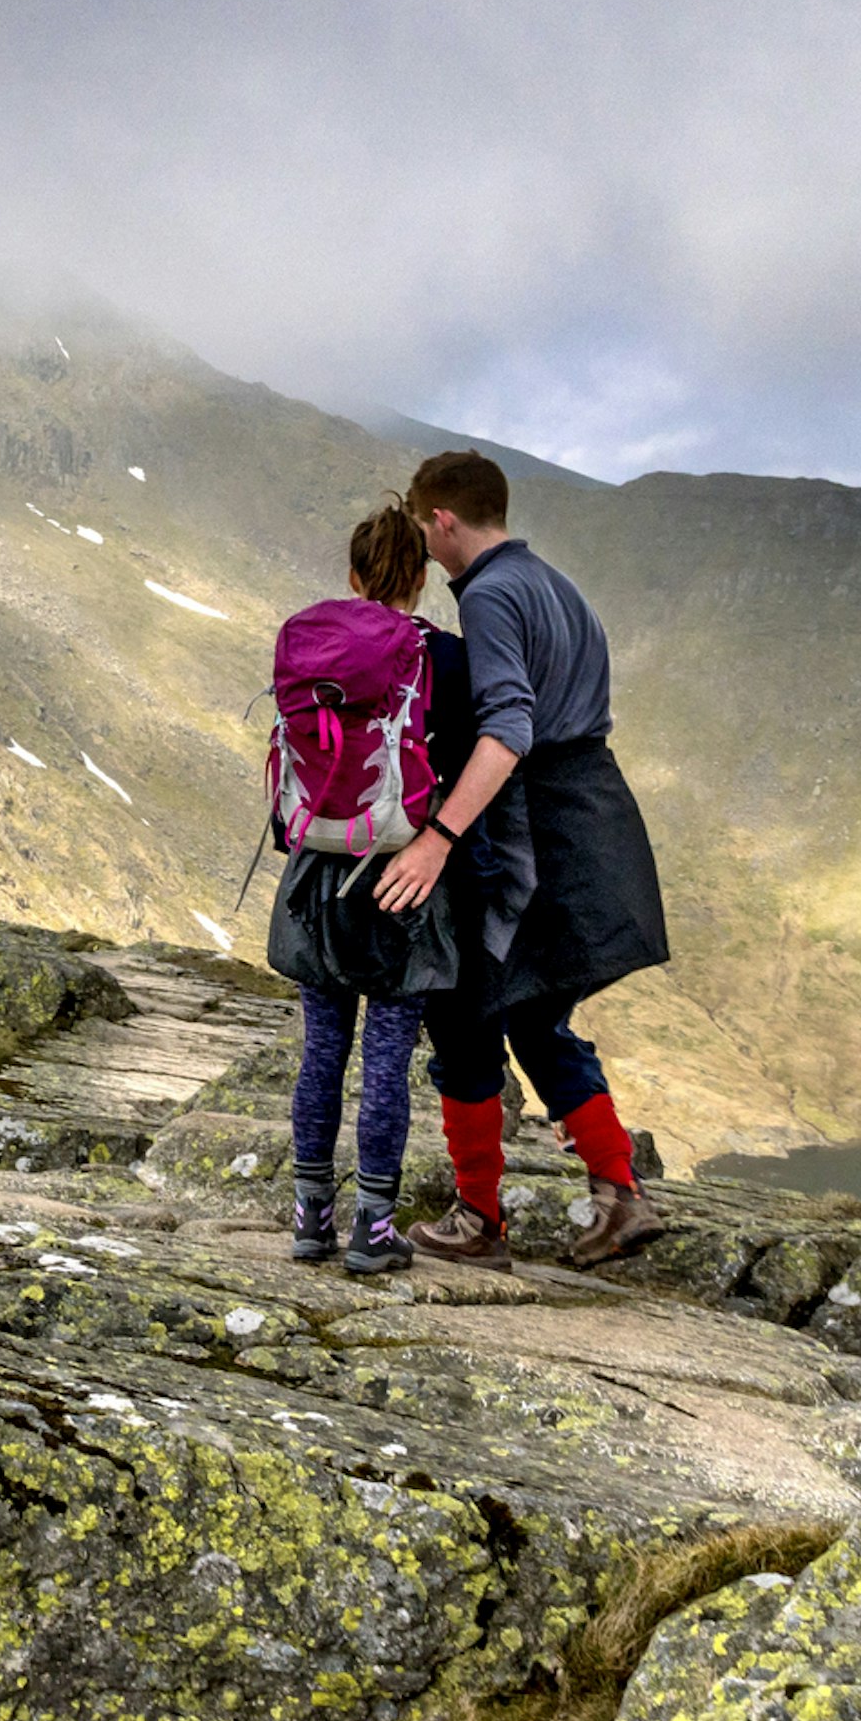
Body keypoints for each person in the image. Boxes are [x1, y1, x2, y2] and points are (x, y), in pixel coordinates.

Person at [374, 449, 671, 1267]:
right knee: (537, 1016)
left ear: (442, 520)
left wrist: (439, 839)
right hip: (595, 822)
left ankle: (478, 1221)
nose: (429, 558)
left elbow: (508, 728)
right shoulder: (556, 584)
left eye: (426, 534)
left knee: (465, 1014)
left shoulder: (496, 595)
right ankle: (621, 1196)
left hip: (535, 835)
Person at [264, 505, 460, 1276]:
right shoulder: (437, 655)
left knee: (322, 1052)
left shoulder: (310, 640)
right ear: (419, 579)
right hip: (402, 875)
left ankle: (311, 1215)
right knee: (385, 1060)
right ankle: (373, 1229)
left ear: (352, 574)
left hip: (316, 866)